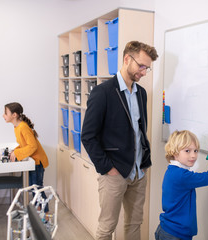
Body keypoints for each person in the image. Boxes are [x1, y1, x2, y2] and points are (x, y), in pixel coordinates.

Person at [81, 41, 158, 240]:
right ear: (126, 59)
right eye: (141, 66)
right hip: (114, 172)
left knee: (134, 224)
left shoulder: (141, 93)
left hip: (139, 172)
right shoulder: (103, 92)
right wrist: (107, 167)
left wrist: (144, 164)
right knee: (107, 227)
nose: (144, 72)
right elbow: (88, 136)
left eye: (147, 68)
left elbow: (139, 131)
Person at [155, 130, 208, 240]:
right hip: (176, 234)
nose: (193, 155)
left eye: (196, 150)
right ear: (175, 152)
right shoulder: (182, 176)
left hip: (166, 229)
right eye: (187, 151)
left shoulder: (172, 171)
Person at [3, 102, 49, 213]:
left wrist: (17, 154)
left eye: (5, 113)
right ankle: (40, 213)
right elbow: (25, 144)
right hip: (33, 162)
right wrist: (16, 151)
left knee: (37, 189)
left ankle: (45, 215)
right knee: (34, 189)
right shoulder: (17, 127)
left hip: (37, 162)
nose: (3, 115)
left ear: (14, 115)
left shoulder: (23, 127)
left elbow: (32, 146)